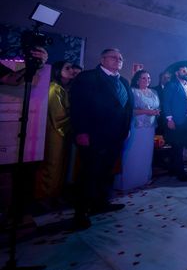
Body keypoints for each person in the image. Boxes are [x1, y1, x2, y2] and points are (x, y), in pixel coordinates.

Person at [70, 48, 133, 229]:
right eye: (114, 57)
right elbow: (78, 106)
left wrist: (127, 128)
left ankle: (100, 203)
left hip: (116, 135)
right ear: (102, 58)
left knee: (107, 171)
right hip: (93, 134)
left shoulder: (123, 81)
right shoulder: (87, 77)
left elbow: (128, 107)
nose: (118, 60)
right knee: (89, 173)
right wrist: (81, 131)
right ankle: (80, 212)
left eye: (121, 58)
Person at [34, 61, 74, 205]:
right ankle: (45, 196)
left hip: (62, 131)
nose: (72, 71)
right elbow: (58, 116)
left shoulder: (63, 88)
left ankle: (55, 193)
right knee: (53, 163)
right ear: (57, 71)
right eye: (67, 68)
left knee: (61, 164)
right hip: (54, 132)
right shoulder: (54, 88)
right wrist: (77, 117)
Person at [114, 69, 160, 191]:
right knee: (133, 152)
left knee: (146, 152)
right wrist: (146, 111)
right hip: (136, 127)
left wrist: (156, 112)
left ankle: (143, 178)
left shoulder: (154, 92)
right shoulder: (133, 92)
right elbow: (129, 110)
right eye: (144, 78)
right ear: (137, 80)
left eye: (149, 78)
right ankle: (129, 181)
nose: (147, 80)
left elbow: (157, 106)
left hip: (149, 128)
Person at [162, 66, 187, 182]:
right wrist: (169, 119)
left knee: (181, 146)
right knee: (177, 147)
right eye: (183, 71)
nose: (186, 72)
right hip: (176, 121)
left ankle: (174, 169)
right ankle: (180, 172)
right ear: (177, 73)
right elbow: (166, 103)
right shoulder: (171, 85)